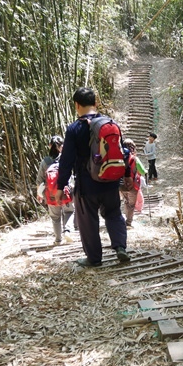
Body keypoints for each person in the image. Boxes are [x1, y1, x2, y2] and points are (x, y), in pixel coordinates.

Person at [56, 87, 130, 267]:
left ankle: (94, 258)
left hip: (86, 185)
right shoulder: (110, 124)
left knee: (88, 221)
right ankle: (120, 247)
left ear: (76, 105)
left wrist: (60, 187)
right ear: (95, 103)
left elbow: (66, 161)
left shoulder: (74, 128)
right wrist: (126, 175)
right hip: (110, 181)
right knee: (114, 214)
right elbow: (122, 153)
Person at [36, 136, 75, 245]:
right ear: (61, 146)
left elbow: (39, 180)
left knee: (55, 217)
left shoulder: (45, 161)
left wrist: (39, 194)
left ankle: (58, 240)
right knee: (69, 211)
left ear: (49, 146)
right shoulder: (66, 158)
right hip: (65, 191)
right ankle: (67, 231)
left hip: (51, 194)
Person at [120, 139, 146, 228]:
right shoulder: (135, 159)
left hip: (121, 185)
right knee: (131, 204)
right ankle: (128, 222)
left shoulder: (119, 157)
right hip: (133, 185)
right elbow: (142, 171)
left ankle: (125, 220)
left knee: (126, 202)